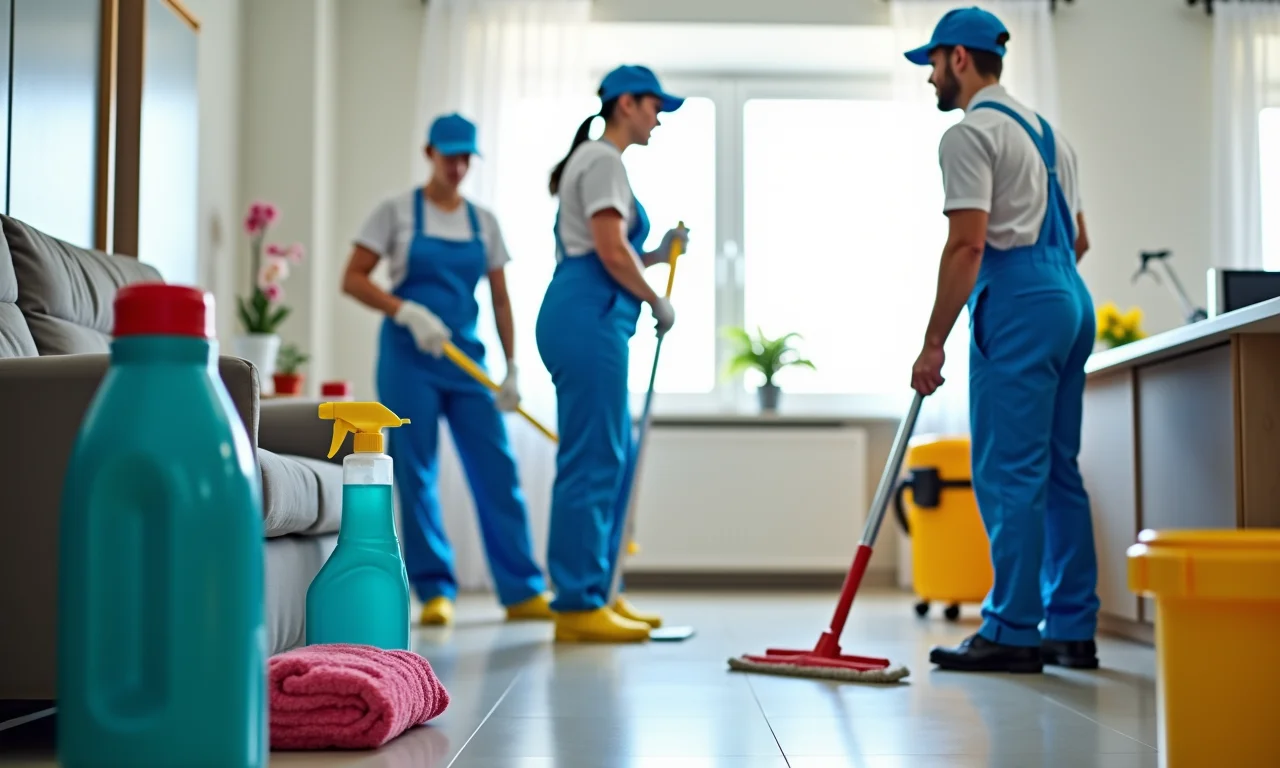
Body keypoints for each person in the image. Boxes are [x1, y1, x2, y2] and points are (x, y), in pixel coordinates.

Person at [903, 8, 1100, 673]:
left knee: (1009, 470)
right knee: (1058, 467)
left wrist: (933, 341)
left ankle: (1013, 629)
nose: (930, 77)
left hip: (1018, 297)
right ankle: (1071, 627)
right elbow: (1080, 240)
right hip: (1070, 297)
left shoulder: (970, 135)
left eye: (933, 63)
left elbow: (968, 244)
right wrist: (1048, 284)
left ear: (959, 58)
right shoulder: (1051, 136)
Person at [341, 112, 552, 626]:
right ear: (428, 153)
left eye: (464, 158)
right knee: (415, 471)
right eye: (448, 156)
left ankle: (522, 589)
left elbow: (500, 300)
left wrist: (512, 368)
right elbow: (354, 278)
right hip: (408, 359)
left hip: (466, 361)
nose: (456, 167)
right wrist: (404, 310)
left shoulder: (484, 223)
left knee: (497, 469)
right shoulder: (396, 213)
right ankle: (435, 589)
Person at [535, 65, 689, 643]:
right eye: (654, 108)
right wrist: (655, 297)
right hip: (587, 316)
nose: (658, 120)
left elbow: (615, 249)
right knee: (593, 458)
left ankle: (599, 590)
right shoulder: (603, 161)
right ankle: (577, 604)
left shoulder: (599, 161)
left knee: (610, 453)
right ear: (626, 104)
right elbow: (607, 250)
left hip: (591, 313)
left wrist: (657, 254)